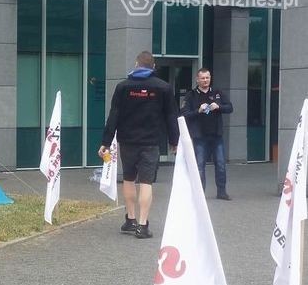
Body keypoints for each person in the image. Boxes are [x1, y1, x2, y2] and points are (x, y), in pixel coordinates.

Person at [99, 51, 179, 239]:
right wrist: (174, 141)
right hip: (151, 142)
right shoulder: (164, 88)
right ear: (153, 67)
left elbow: (114, 116)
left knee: (128, 178)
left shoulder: (123, 87)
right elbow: (171, 117)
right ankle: (142, 226)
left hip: (127, 141)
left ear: (136, 64)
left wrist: (105, 142)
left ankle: (130, 220)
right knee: (146, 182)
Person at [180, 68, 234, 200]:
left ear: (210, 78)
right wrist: (198, 111)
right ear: (197, 79)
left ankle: (221, 192)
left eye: (207, 78)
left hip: (216, 135)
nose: (205, 80)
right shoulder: (191, 95)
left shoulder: (217, 93)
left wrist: (219, 107)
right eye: (202, 78)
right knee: (199, 166)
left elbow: (230, 107)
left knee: (221, 164)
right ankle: (200, 194)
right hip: (200, 136)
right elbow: (183, 114)